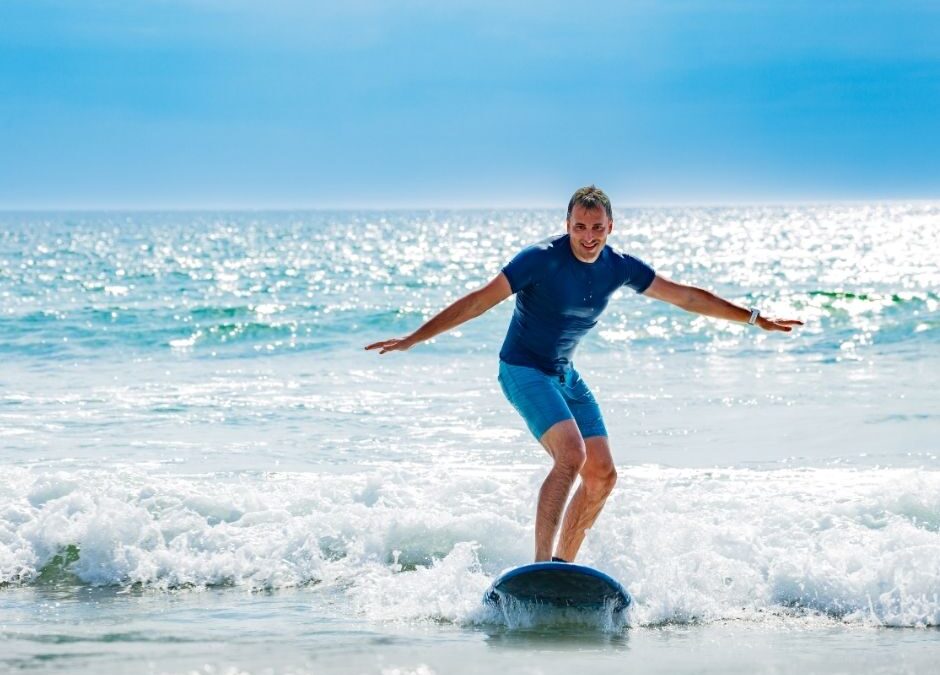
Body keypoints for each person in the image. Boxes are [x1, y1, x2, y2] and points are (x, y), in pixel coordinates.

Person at [366, 185, 803, 563]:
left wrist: (754, 318)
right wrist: (413, 338)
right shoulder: (539, 260)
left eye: (597, 228)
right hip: (522, 368)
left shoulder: (620, 266)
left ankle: (563, 568)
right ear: (567, 224)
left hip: (563, 374)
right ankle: (538, 568)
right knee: (570, 456)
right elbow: (479, 301)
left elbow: (686, 298)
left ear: (610, 226)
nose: (588, 237)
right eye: (580, 227)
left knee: (603, 474)